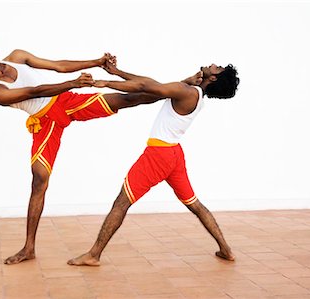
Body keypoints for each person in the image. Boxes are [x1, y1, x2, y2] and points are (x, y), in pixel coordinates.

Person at [0, 34, 203, 265]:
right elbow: (36, 92)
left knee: (129, 98)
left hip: (65, 103)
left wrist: (96, 62)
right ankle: (28, 248)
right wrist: (72, 84)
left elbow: (58, 65)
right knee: (39, 179)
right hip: (44, 122)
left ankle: (182, 86)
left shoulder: (18, 56)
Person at [67, 61, 240, 266]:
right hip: (174, 154)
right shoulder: (194, 94)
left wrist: (106, 82)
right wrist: (117, 71)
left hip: (158, 155)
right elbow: (153, 85)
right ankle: (226, 249)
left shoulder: (188, 91)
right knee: (195, 205)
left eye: (216, 68)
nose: (212, 64)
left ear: (213, 78)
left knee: (121, 202)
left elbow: (145, 87)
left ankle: (94, 254)